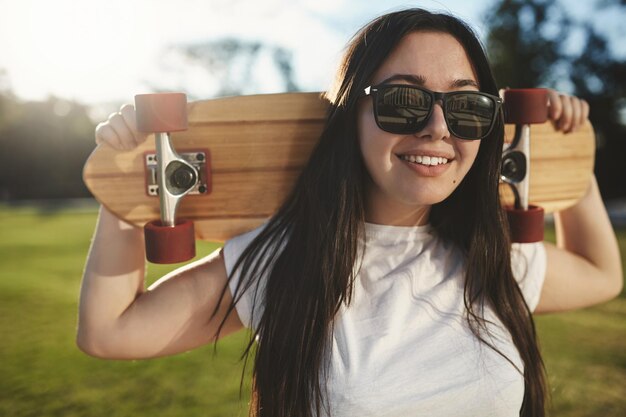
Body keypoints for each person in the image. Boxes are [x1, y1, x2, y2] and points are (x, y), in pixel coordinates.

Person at [77, 8, 623, 417]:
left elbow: (602, 275)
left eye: (466, 106)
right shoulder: (285, 260)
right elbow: (110, 331)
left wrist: (570, 152)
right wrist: (129, 181)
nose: (437, 127)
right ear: (349, 115)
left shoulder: (498, 260)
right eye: (402, 101)